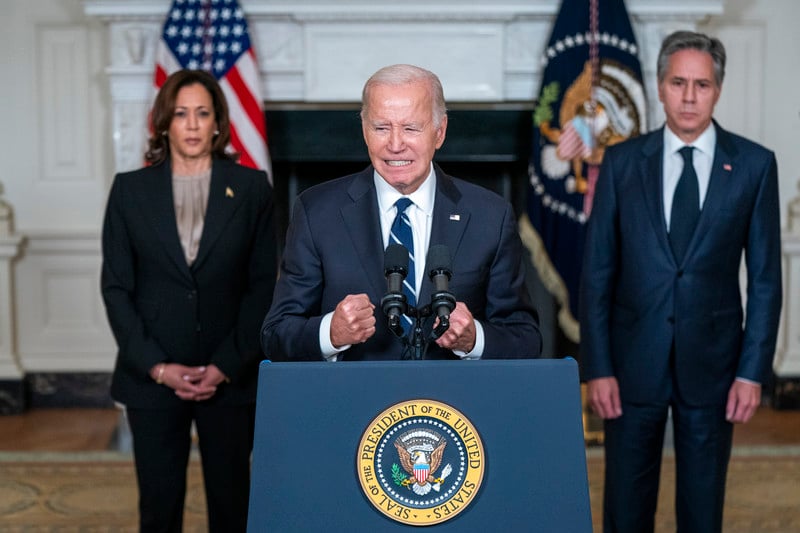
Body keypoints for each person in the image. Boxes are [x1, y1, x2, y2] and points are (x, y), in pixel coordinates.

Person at [580, 31, 782, 533]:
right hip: (630, 368)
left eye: (702, 84)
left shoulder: (754, 166)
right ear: (660, 85)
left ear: (718, 89)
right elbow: (597, 274)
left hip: (714, 368)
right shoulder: (623, 163)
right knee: (625, 512)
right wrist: (598, 367)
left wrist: (751, 372)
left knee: (702, 512)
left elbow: (764, 280)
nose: (689, 96)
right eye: (678, 83)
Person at [261, 64, 541, 362]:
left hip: (453, 404)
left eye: (410, 128)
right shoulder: (317, 212)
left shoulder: (489, 216)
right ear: (364, 131)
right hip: (352, 403)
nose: (395, 145)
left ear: (439, 132)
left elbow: (526, 339)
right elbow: (276, 335)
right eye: (381, 128)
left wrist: (474, 340)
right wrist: (330, 332)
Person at [101, 69, 277, 532]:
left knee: (233, 505)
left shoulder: (253, 188)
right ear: (163, 123)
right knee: (159, 510)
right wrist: (157, 366)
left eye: (203, 113)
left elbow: (264, 286)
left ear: (219, 122)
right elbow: (116, 288)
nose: (193, 125)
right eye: (181, 114)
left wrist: (226, 364)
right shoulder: (128, 191)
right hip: (151, 380)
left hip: (232, 378)